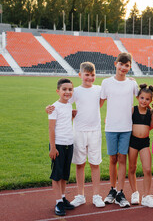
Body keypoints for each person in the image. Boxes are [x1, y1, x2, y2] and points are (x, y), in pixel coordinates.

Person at [46, 62, 105, 208]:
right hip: (78, 131)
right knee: (80, 164)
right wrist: (48, 107)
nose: (90, 78)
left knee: (95, 163)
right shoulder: (75, 91)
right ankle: (80, 195)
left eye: (92, 75)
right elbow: (63, 103)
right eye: (87, 75)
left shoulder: (99, 89)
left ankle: (96, 195)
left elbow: (101, 101)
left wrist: (130, 80)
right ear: (80, 75)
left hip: (95, 131)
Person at [100, 53, 139, 207]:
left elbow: (143, 100)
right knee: (112, 159)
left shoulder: (132, 84)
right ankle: (112, 189)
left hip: (126, 128)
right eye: (121, 64)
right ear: (115, 64)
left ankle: (121, 192)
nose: (123, 68)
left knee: (122, 159)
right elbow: (99, 103)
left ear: (130, 67)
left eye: (127, 65)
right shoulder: (106, 82)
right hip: (111, 127)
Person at [48, 78, 75, 216]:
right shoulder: (53, 107)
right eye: (64, 89)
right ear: (58, 91)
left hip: (69, 144)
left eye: (70, 89)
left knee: (65, 174)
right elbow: (51, 128)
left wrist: (73, 114)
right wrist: (53, 147)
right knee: (57, 175)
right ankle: (58, 202)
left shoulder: (69, 105)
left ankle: (63, 198)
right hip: (58, 145)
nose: (67, 92)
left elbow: (66, 121)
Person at [128, 84, 153, 208]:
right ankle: (135, 193)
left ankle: (146, 195)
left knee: (147, 169)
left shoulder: (150, 113)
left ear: (150, 100)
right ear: (138, 97)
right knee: (132, 167)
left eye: (147, 99)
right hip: (132, 142)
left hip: (144, 142)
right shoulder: (133, 110)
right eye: (142, 98)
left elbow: (152, 127)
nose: (144, 101)